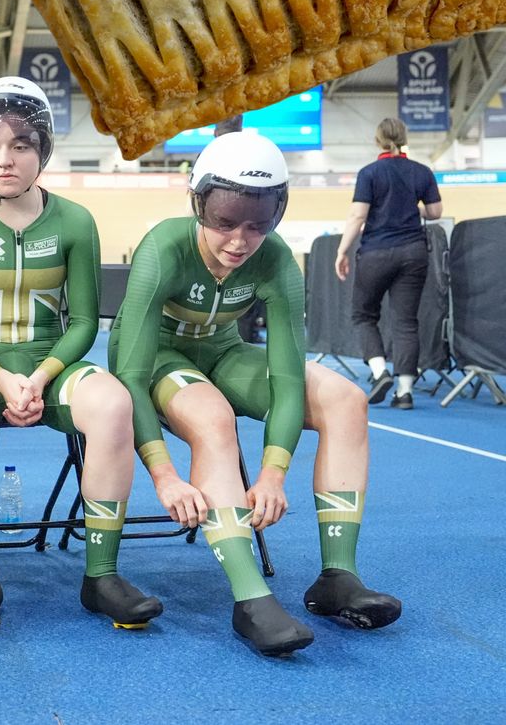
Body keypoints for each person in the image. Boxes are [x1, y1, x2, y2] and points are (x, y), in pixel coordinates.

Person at [110, 131, 401, 656]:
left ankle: (338, 575)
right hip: (154, 359)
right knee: (213, 416)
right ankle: (250, 599)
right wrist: (163, 473)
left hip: (223, 352)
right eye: (223, 222)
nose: (239, 242)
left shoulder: (276, 261)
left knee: (345, 398)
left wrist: (272, 472)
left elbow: (288, 377)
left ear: (276, 217)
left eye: (256, 226)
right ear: (198, 204)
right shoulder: (164, 246)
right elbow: (131, 375)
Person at [0, 77, 162, 632]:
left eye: (21, 145)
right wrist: (2, 379)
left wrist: (41, 374)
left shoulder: (76, 221)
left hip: (52, 364)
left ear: (43, 150)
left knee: (111, 404)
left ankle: (101, 576)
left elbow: (82, 323)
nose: (4, 159)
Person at [334, 118, 442, 409]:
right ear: (404, 139)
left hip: (377, 253)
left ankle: (380, 372)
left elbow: (358, 216)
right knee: (406, 321)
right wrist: (411, 205)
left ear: (377, 141)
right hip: (413, 252)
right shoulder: (422, 172)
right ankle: (404, 392)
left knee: (363, 315)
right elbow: (434, 212)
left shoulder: (370, 173)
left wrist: (342, 251)